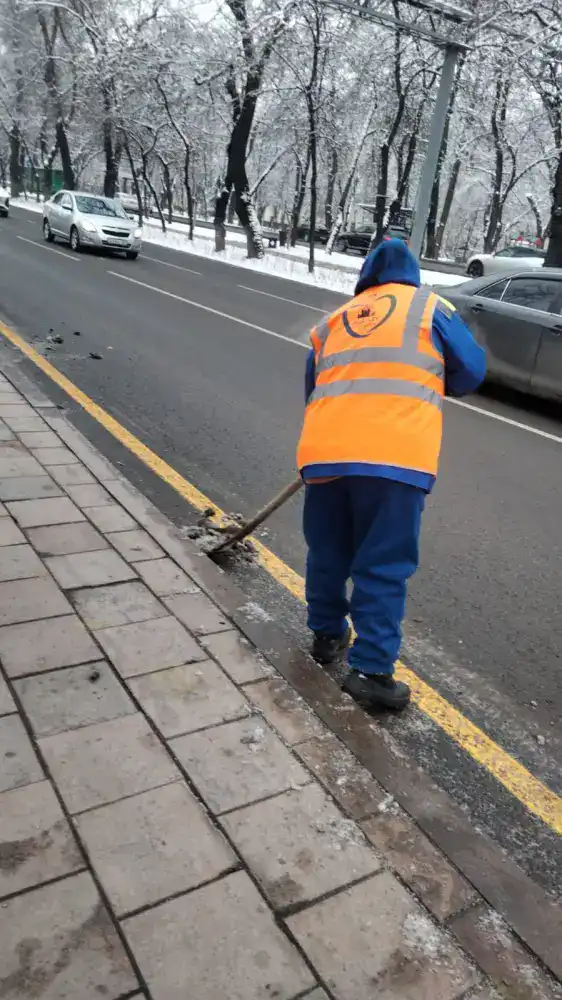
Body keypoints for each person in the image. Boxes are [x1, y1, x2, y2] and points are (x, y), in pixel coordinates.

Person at [296, 239, 486, 710]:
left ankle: (326, 637)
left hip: (325, 454)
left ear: (366, 278)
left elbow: (312, 388)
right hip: (394, 460)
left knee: (328, 551)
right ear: (411, 276)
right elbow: (470, 373)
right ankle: (371, 671)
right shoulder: (429, 308)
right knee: (381, 563)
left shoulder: (333, 321)